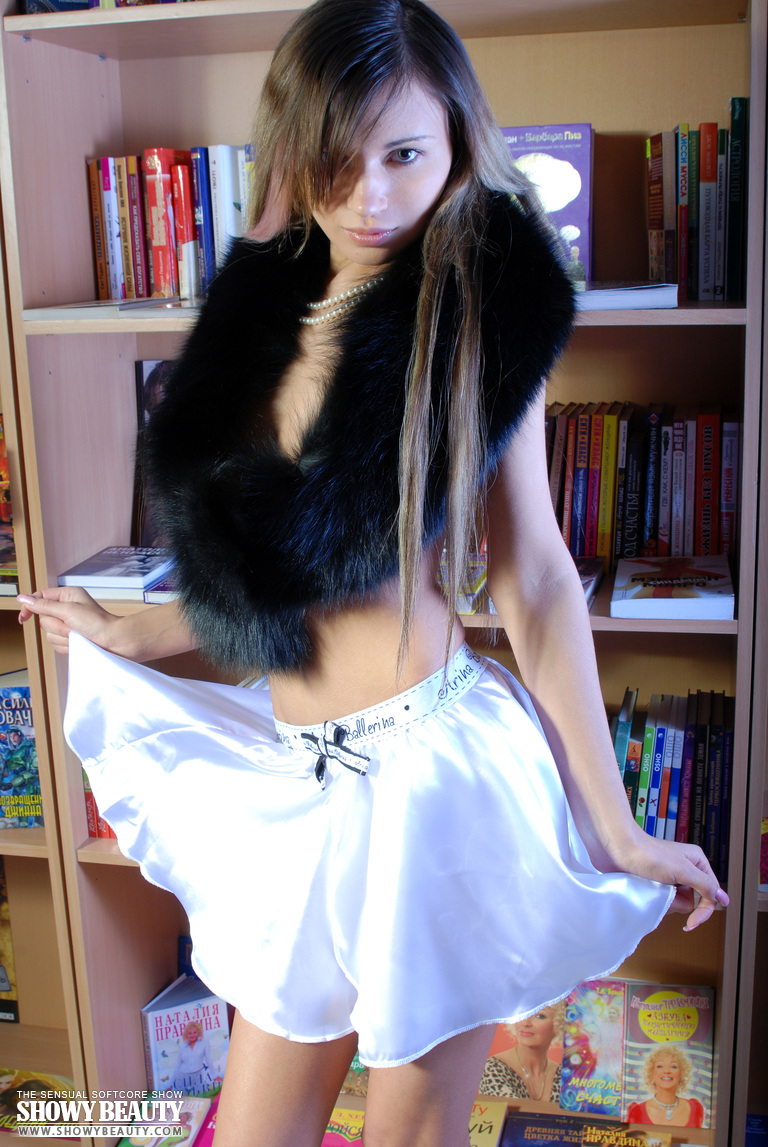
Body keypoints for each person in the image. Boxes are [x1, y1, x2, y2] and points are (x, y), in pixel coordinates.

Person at [18, 2, 727, 1145]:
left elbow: (537, 574)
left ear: (457, 137)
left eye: (404, 155)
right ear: (293, 151)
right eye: (337, 162)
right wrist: (142, 630)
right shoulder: (263, 304)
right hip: (300, 779)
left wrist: (617, 822)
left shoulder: (480, 308)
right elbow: (273, 560)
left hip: (434, 785)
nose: (372, 198)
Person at [478, 1005, 564, 1102]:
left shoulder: (565, 1075)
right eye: (522, 1013)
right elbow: (510, 1110)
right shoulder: (491, 1068)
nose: (525, 1023)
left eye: (540, 1016)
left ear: (560, 1023)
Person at [625, 1045, 706, 1128]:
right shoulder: (637, 1112)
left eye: (673, 1066)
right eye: (660, 1066)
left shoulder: (695, 1108)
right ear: (651, 1074)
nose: (667, 1071)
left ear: (681, 1074)